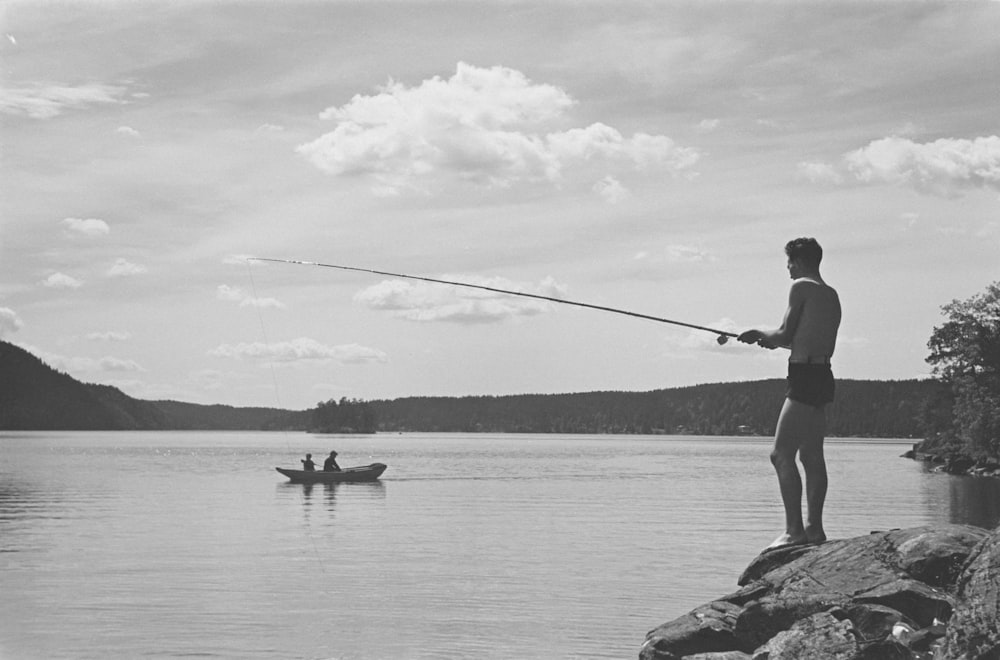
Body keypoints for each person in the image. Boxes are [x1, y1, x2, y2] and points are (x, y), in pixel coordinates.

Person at [738, 237, 842, 551]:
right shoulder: (831, 294)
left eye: (788, 262)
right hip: (824, 374)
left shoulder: (801, 287)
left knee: (780, 454)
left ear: (798, 260)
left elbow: (784, 335)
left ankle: (793, 531)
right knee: (811, 456)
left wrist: (758, 333)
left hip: (804, 375)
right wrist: (767, 338)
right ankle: (814, 530)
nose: (787, 268)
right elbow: (798, 337)